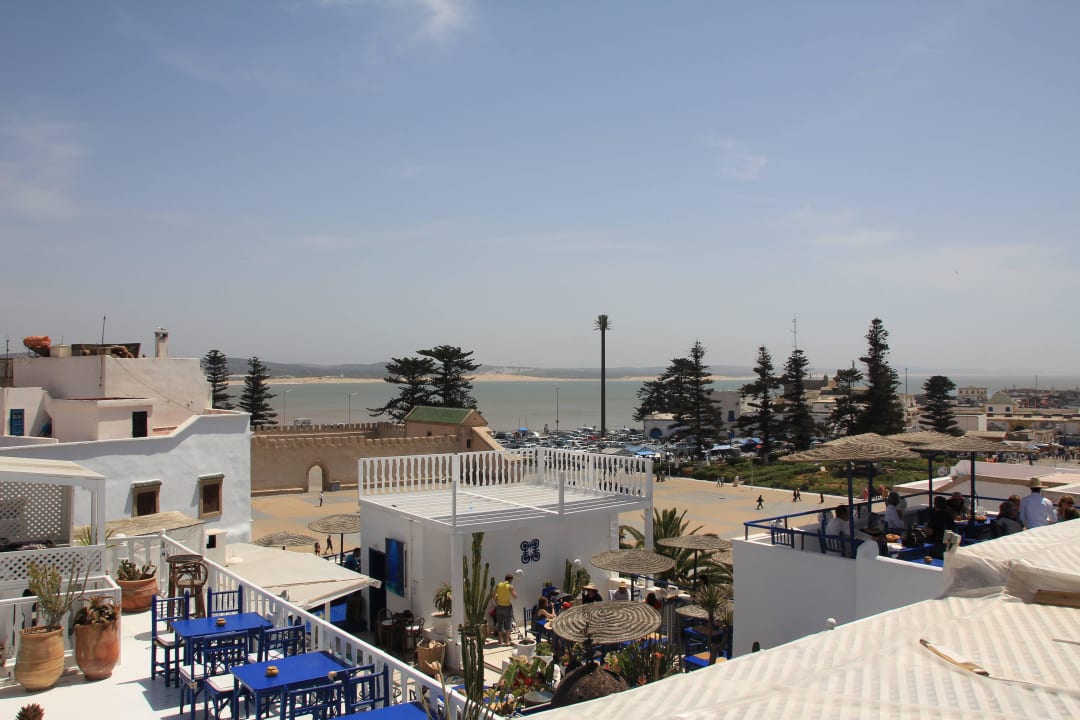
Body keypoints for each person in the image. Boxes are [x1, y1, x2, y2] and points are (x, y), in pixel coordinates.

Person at [494, 573, 517, 646]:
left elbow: (494, 596)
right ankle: (507, 641)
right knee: (508, 623)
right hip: (507, 607)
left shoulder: (498, 585)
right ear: (511, 580)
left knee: (500, 623)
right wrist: (512, 591)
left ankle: (500, 641)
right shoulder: (510, 586)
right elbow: (515, 596)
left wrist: (497, 602)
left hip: (499, 607)